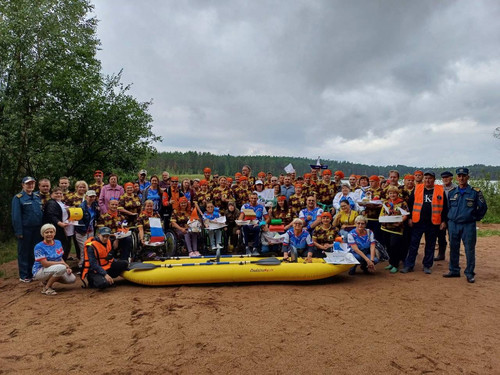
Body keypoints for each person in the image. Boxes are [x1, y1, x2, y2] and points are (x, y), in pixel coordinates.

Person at [444, 168, 487, 283]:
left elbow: (483, 208)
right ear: (456, 177)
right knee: (453, 247)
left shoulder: (475, 192)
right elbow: (448, 207)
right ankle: (454, 270)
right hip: (453, 224)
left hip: (468, 225)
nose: (461, 178)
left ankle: (469, 273)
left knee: (469, 249)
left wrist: (474, 217)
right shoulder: (452, 192)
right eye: (459, 176)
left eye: (464, 176)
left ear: (468, 177)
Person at [402, 171, 447, 274]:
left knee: (430, 245)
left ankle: (427, 265)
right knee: (413, 244)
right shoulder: (417, 189)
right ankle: (409, 265)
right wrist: (409, 218)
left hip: (433, 222)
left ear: (434, 179)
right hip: (418, 222)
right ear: (423, 179)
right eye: (426, 178)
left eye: (430, 178)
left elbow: (445, 207)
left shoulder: (440, 190)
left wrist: (444, 221)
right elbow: (410, 204)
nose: (427, 180)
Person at [12, 176, 43, 282]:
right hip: (25, 230)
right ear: (23, 185)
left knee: (34, 252)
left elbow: (40, 213)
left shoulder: (36, 196)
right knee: (24, 252)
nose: (30, 185)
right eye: (28, 184)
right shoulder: (18, 198)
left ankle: (33, 272)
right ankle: (24, 275)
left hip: (37, 229)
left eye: (32, 184)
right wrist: (19, 231)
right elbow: (16, 216)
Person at [32, 224, 76, 295]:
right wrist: (62, 265)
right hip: (40, 270)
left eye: (51, 232)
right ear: (42, 234)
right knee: (61, 268)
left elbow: (60, 257)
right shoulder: (39, 246)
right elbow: (45, 264)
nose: (49, 234)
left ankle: (46, 281)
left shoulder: (58, 242)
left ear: (54, 233)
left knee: (71, 279)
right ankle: (47, 288)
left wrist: (66, 266)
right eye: (46, 232)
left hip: (55, 268)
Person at [379, 186, 409, 273]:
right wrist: (382, 218)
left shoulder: (402, 203)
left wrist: (400, 221)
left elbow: (405, 215)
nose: (392, 195)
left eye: (394, 193)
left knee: (394, 246)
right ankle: (391, 263)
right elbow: (382, 213)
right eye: (390, 193)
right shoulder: (386, 203)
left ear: (397, 193)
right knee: (388, 247)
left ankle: (396, 264)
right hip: (385, 228)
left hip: (397, 228)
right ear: (388, 194)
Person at [435, 171, 457, 261]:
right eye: (444, 178)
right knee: (441, 235)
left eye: (447, 177)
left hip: (453, 214)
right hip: (442, 214)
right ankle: (441, 254)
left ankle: (454, 255)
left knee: (453, 236)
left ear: (451, 178)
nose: (445, 179)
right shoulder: (439, 188)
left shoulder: (456, 188)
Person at [43, 187, 70, 260]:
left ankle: (62, 262)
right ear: (51, 195)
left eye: (60, 193)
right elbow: (51, 215)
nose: (59, 195)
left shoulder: (61, 202)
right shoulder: (51, 203)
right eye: (56, 193)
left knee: (65, 245)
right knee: (59, 246)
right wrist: (60, 223)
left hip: (63, 227)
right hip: (55, 228)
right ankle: (57, 262)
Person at [75, 190, 99, 269]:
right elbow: (79, 221)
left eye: (93, 196)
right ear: (86, 197)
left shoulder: (94, 205)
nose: (92, 198)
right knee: (84, 248)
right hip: (82, 231)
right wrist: (83, 231)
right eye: (90, 196)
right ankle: (81, 265)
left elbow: (95, 216)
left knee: (90, 247)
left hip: (91, 230)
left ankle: (89, 264)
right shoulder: (81, 207)